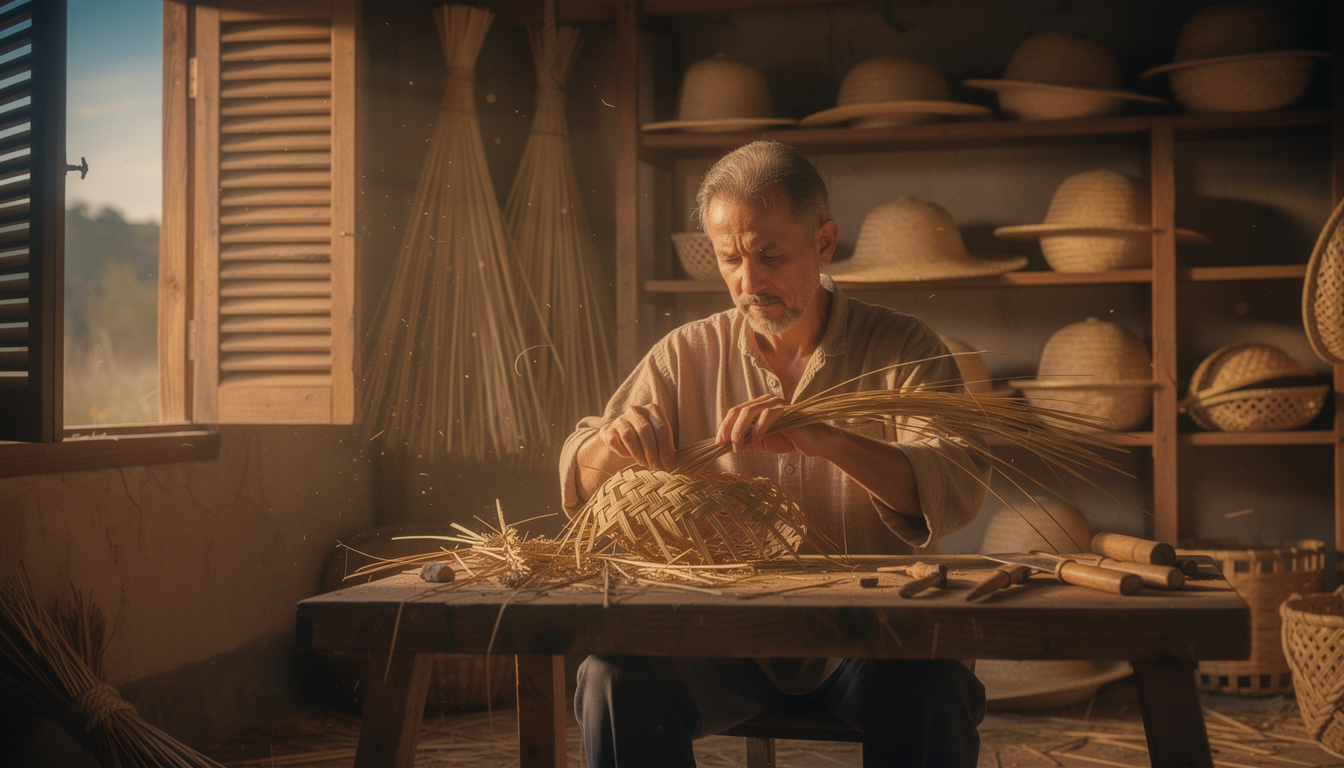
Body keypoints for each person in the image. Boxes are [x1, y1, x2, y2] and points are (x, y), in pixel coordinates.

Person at [557, 140, 990, 767]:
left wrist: (827, 440)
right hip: (720, 640)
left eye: (770, 255)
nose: (748, 282)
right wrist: (610, 444)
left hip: (870, 642)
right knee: (611, 676)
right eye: (730, 258)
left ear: (823, 242)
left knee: (933, 685)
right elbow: (577, 473)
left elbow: (953, 484)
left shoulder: (902, 346)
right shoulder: (686, 354)